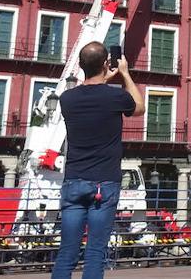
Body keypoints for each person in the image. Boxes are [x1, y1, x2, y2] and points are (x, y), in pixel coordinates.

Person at [50, 42, 143, 279]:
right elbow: (139, 107)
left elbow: (92, 94)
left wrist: (103, 77)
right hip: (104, 184)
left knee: (67, 252)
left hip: (73, 183)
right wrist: (124, 73)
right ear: (106, 64)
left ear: (80, 66)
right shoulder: (115, 96)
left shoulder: (67, 99)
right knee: (95, 252)